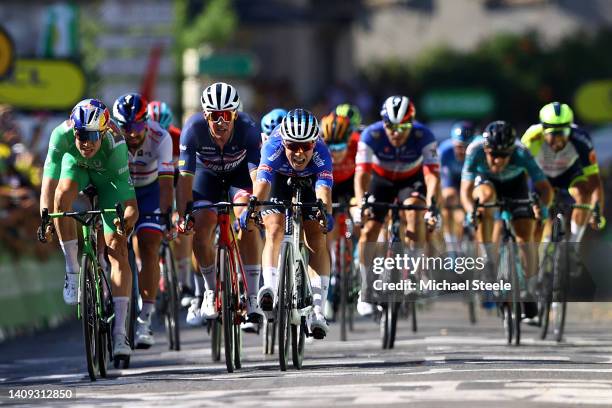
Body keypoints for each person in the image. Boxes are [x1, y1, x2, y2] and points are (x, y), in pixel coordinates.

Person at [39, 98, 139, 358]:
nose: (86, 142)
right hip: (76, 170)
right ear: (74, 130)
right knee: (61, 198)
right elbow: (47, 183)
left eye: (93, 135)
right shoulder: (60, 136)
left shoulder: (116, 146)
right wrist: (45, 217)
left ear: (104, 132)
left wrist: (125, 223)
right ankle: (72, 269)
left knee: (117, 249)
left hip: (109, 180)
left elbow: (131, 206)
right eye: (81, 134)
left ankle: (119, 335)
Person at [177, 82, 263, 327]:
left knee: (247, 218)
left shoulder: (248, 129)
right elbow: (184, 179)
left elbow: (257, 176)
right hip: (207, 176)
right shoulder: (193, 129)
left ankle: (253, 296)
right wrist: (185, 214)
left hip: (240, 175)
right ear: (206, 116)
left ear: (235, 114)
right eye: (214, 116)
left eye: (226, 115)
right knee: (202, 224)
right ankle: (209, 291)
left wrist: (254, 207)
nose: (220, 122)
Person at [242, 108, 334, 339]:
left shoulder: (322, 152)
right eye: (293, 146)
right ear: (283, 142)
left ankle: (318, 310)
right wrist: (253, 206)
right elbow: (262, 185)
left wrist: (326, 214)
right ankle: (270, 288)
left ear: (315, 143)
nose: (300, 153)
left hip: (311, 183)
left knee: (316, 237)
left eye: (306, 146)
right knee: (273, 228)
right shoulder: (272, 146)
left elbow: (323, 192)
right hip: (279, 181)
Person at [354, 96, 440, 314]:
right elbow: (362, 173)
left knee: (415, 214)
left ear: (412, 122)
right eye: (391, 126)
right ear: (383, 123)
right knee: (370, 229)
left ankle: (412, 273)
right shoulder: (371, 135)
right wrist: (362, 201)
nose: (397, 132)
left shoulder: (424, 135)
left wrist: (432, 205)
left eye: (404, 126)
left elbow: (432, 176)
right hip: (381, 181)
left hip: (411, 180)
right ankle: (364, 290)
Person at [460, 121, 553, 316]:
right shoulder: (474, 150)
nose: (498, 161)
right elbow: (465, 191)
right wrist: (470, 211)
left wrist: (542, 209)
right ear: (486, 149)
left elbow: (545, 189)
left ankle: (529, 288)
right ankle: (487, 260)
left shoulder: (522, 153)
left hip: (515, 186)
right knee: (484, 201)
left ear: (511, 151)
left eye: (503, 156)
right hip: (486, 184)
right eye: (493, 154)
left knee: (524, 239)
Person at [113, 93, 175, 348]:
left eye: (137, 126)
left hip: (149, 191)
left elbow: (166, 182)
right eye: (125, 127)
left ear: (146, 122)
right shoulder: (109, 139)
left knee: (150, 244)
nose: (132, 133)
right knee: (111, 242)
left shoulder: (161, 136)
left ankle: (145, 321)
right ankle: (106, 287)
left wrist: (165, 213)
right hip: (119, 189)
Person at [522, 102, 606, 245]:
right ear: (543, 130)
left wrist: (597, 210)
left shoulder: (581, 139)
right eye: (553, 134)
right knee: (538, 221)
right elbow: (521, 175)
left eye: (564, 133)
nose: (559, 140)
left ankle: (574, 246)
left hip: (569, 175)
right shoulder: (531, 138)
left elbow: (594, 182)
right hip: (542, 178)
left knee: (583, 193)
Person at [148, 100, 195, 308]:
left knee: (181, 227)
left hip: (175, 182)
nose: (162, 134)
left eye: (165, 129)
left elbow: (183, 180)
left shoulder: (178, 137)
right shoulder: (143, 139)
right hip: (151, 183)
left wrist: (178, 210)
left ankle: (185, 282)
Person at [438, 121, 476, 253]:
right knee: (449, 198)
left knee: (476, 200)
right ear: (453, 143)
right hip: (452, 179)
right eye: (459, 147)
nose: (463, 151)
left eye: (466, 147)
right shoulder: (444, 151)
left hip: (470, 180)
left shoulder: (477, 150)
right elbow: (437, 178)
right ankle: (451, 244)